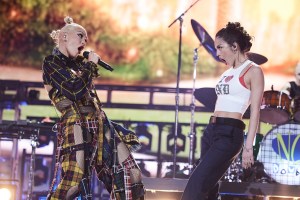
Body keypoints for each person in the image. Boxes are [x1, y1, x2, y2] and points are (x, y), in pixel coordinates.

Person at [42, 16, 145, 200]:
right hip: (76, 125)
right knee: (74, 184)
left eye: (86, 39)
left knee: (130, 174)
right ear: (64, 36)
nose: (84, 42)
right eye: (80, 36)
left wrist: (87, 65)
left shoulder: (81, 64)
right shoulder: (51, 63)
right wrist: (90, 65)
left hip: (101, 124)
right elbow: (74, 90)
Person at [180, 22, 265, 200]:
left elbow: (255, 111)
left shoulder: (253, 71)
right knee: (208, 188)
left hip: (229, 134)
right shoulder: (227, 73)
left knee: (194, 188)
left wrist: (248, 147)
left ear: (235, 46)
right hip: (211, 132)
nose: (217, 54)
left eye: (220, 47)